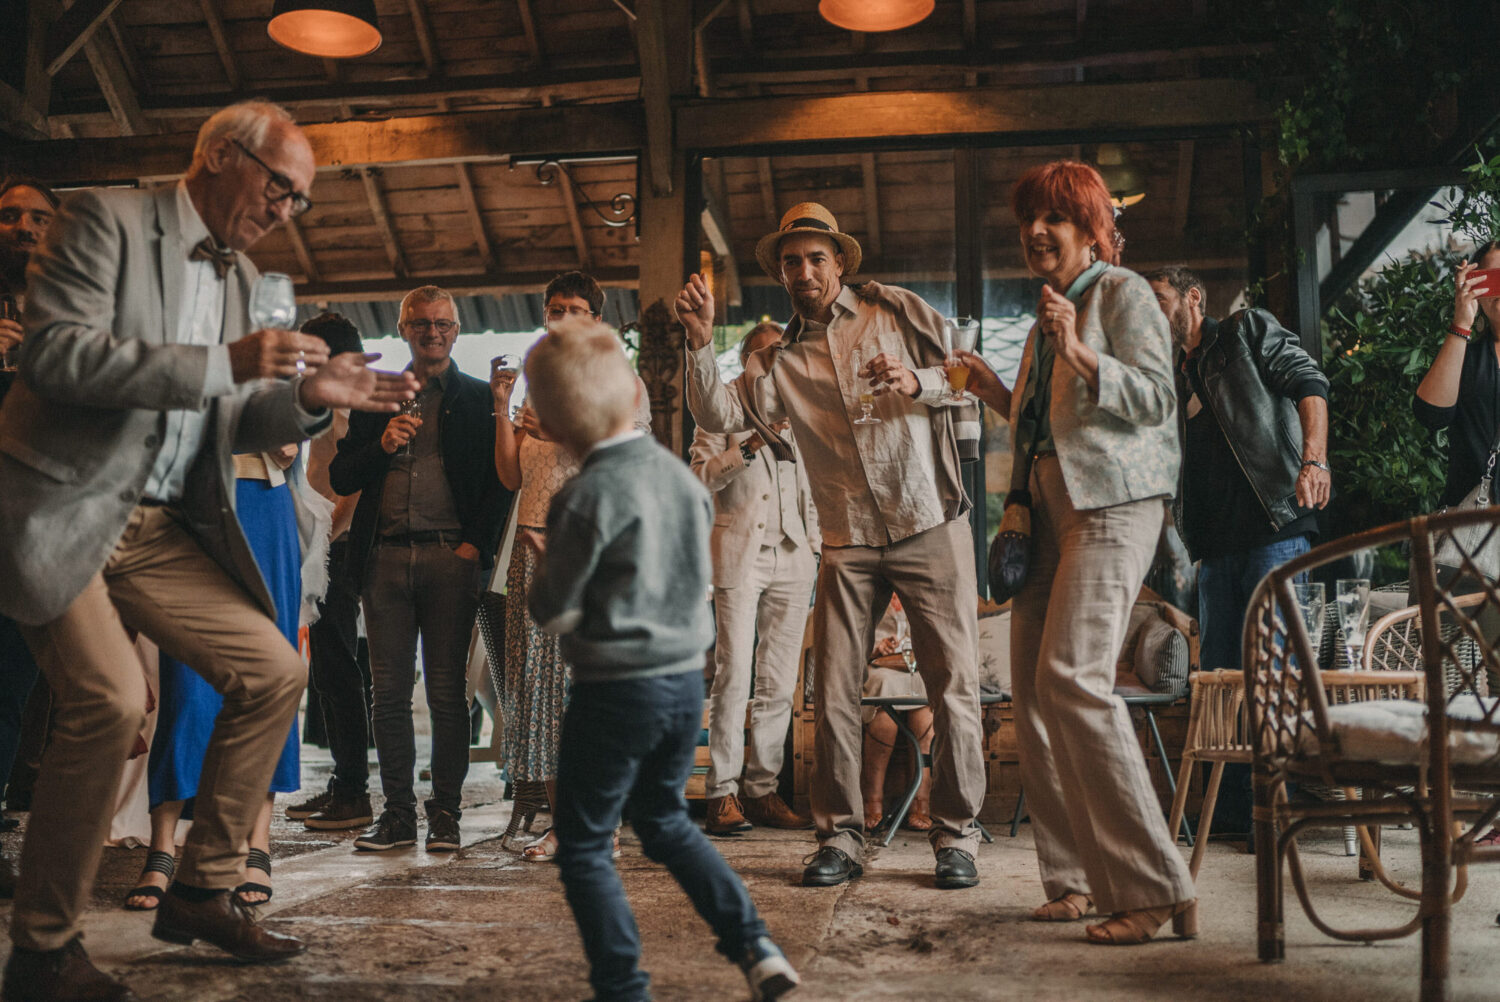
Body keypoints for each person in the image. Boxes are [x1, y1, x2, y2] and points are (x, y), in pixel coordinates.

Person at [0, 98, 417, 1001]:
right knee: (109, 701)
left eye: (298, 200)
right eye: (281, 188)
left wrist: (317, 399)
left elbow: (232, 414)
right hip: (62, 502)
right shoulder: (102, 221)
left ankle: (202, 888)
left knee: (275, 669)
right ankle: (42, 951)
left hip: (154, 526)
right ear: (224, 156)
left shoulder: (240, 278)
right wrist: (227, 361)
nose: (285, 211)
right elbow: (57, 360)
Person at [678, 201, 986, 891]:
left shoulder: (896, 313)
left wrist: (920, 382)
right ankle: (842, 836)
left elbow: (969, 378)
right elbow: (719, 416)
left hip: (927, 517)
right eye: (792, 261)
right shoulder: (781, 358)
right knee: (834, 691)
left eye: (817, 257)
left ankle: (956, 835)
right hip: (846, 534)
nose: (804, 270)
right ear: (782, 275)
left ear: (839, 263)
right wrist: (700, 343)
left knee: (953, 684)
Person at [522, 320, 800, 1002]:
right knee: (667, 821)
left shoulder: (581, 497)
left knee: (585, 844)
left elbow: (553, 610)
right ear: (631, 398)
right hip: (681, 687)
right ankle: (754, 944)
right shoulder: (680, 478)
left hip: (612, 691)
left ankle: (623, 988)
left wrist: (545, 576)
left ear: (552, 426)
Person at [954, 160, 1196, 944]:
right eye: (1028, 218)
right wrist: (994, 388)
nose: (1035, 232)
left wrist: (1083, 353)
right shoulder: (1044, 319)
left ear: (1093, 228)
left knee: (1074, 678)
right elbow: (1039, 426)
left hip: (1115, 506)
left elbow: (1157, 398)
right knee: (1032, 690)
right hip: (1045, 515)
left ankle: (1154, 883)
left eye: (1054, 218)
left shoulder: (1120, 295)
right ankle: (1073, 880)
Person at [1143, 264, 1331, 842]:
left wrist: (1315, 459)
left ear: (1192, 299)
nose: (1150, 313)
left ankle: (1276, 806)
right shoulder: (1172, 375)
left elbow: (1309, 381)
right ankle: (1227, 813)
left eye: (1159, 299)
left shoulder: (1244, 334)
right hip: (1214, 549)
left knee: (1274, 671)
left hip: (1274, 530)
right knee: (1219, 681)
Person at [330, 285, 509, 854]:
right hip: (382, 558)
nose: (433, 333)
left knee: (447, 695)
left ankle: (447, 815)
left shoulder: (481, 399)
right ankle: (399, 816)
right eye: (421, 323)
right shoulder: (375, 397)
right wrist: (381, 443)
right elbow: (340, 477)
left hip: (449, 560)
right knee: (386, 693)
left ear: (457, 331)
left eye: (443, 324)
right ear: (403, 328)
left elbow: (498, 488)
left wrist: (472, 548)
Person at [123, 437, 327, 911]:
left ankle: (258, 844)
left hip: (264, 500)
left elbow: (291, 437)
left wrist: (290, 430)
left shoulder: (273, 362)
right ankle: (162, 849)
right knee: (186, 688)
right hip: (193, 501)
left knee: (268, 681)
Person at [489, 270, 651, 861]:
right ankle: (564, 826)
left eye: (575, 309)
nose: (562, 317)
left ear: (597, 319)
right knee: (537, 699)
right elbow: (512, 477)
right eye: (554, 308)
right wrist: (501, 410)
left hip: (587, 553)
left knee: (583, 695)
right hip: (528, 559)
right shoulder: (538, 385)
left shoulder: (618, 381)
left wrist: (559, 427)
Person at [689, 321, 819, 836]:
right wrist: (746, 449)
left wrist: (816, 546)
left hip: (795, 555)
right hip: (740, 552)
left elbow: (816, 486)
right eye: (763, 355)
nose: (772, 364)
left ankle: (763, 789)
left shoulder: (803, 407)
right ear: (746, 359)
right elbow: (697, 477)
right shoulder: (721, 406)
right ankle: (721, 792)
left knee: (779, 681)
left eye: (779, 355)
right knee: (734, 673)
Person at [1414, 239, 1500, 845]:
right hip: (1479, 539)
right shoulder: (1473, 352)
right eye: (1493, 279)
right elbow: (1430, 415)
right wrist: (1461, 323)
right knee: (1488, 681)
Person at [286, 312, 375, 832]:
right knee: (328, 668)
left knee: (338, 669)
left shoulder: (346, 398)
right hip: (324, 540)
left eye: (309, 354)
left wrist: (327, 534)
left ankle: (355, 793)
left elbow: (352, 480)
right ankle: (344, 784)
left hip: (334, 545)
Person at [0, 175, 57, 895]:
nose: (23, 227)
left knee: (15, 686)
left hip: (38, 519)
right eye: (9, 216)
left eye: (38, 217)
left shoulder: (68, 309)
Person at [861, 596, 933, 832]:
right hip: (879, 667)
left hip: (916, 667)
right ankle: (872, 799)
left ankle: (921, 801)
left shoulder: (920, 587)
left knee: (924, 708)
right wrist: (876, 648)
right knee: (885, 710)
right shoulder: (869, 586)